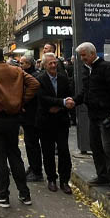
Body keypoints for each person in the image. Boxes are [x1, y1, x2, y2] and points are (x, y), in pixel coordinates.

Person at [0, 46, 40, 208]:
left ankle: (3, 195)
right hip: (13, 118)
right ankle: (24, 194)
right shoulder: (16, 70)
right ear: (3, 56)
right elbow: (34, 83)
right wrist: (21, 101)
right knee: (15, 155)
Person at [69, 42, 110, 199]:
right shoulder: (87, 70)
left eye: (84, 55)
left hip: (107, 116)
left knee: (109, 149)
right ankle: (103, 176)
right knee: (96, 147)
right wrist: (74, 101)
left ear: (92, 53)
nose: (82, 59)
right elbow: (85, 93)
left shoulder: (107, 67)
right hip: (93, 116)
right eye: (81, 56)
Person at [37, 53, 73, 194]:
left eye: (55, 63)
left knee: (64, 151)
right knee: (48, 151)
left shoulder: (64, 79)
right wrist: (61, 102)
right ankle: (51, 178)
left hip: (61, 120)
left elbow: (69, 96)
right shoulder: (40, 79)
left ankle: (65, 180)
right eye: (50, 63)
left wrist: (61, 105)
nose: (53, 65)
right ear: (45, 65)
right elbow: (42, 98)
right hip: (46, 121)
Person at [18, 56, 44, 182]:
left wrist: (23, 102)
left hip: (32, 116)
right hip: (29, 115)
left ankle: (37, 171)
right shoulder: (29, 75)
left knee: (32, 144)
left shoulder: (33, 77)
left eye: (22, 63)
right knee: (30, 143)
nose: (20, 65)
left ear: (28, 64)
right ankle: (33, 167)